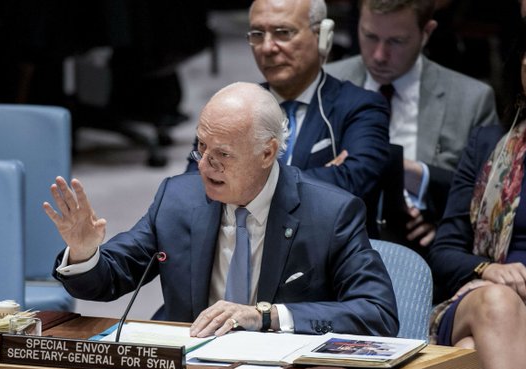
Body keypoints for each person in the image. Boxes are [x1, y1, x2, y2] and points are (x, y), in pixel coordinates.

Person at [44, 82, 398, 338]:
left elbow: (377, 313)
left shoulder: (330, 213)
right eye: (201, 146)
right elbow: (108, 279)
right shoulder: (178, 199)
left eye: (223, 155)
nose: (204, 166)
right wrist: (84, 251)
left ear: (267, 153)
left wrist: (266, 316)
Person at [428, 6, 526, 369]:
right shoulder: (486, 144)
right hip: (476, 303)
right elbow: (444, 252)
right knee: (497, 303)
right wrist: (488, 270)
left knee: (470, 359)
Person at [199, 0, 391, 238]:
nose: (267, 47)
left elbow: (353, 183)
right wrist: (319, 176)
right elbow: (194, 183)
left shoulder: (361, 107)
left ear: (322, 36)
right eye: (257, 34)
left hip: (324, 248)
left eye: (283, 32)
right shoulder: (231, 106)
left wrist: (239, 181)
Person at [326, 0, 499, 252]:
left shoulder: (471, 100)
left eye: (396, 41)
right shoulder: (326, 81)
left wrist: (447, 230)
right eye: (370, 36)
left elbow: (489, 198)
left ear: (426, 32)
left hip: (422, 252)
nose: (379, 55)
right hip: (334, 244)